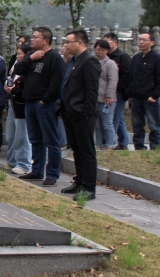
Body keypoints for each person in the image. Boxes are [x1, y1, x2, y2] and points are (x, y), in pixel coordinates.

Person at [15, 27, 65, 186]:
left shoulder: (54, 58)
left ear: (46, 40)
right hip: (29, 102)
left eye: (36, 37)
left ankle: (52, 174)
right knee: (35, 140)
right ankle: (36, 170)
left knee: (51, 140)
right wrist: (30, 58)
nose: (33, 40)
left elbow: (56, 82)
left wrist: (45, 100)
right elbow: (18, 69)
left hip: (44, 104)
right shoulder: (31, 55)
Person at [60, 30, 102, 200]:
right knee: (76, 149)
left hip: (82, 113)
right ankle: (79, 181)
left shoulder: (89, 61)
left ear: (79, 42)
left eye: (69, 42)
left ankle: (89, 187)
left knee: (86, 150)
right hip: (69, 111)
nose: (66, 45)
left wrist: (86, 112)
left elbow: (92, 90)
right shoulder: (72, 61)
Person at [129, 32, 160, 150]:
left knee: (154, 124)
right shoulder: (136, 58)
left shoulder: (158, 59)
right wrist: (131, 94)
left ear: (152, 43)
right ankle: (139, 146)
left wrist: (155, 95)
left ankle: (155, 147)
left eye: (144, 40)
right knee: (137, 124)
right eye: (140, 39)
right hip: (136, 97)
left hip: (150, 98)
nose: (141, 42)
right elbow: (132, 77)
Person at [5, 45, 33, 175]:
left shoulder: (28, 70)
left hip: (21, 105)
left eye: (20, 54)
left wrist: (14, 90)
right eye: (17, 54)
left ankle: (24, 164)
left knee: (22, 136)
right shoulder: (16, 67)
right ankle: (12, 160)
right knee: (10, 135)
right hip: (12, 103)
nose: (17, 56)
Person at [103, 33, 132, 150]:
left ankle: (109, 143)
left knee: (113, 117)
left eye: (108, 42)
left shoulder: (122, 57)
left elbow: (127, 75)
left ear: (115, 42)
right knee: (119, 118)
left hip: (118, 92)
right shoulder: (106, 57)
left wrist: (119, 88)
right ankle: (123, 143)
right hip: (107, 91)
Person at [93, 40, 118, 150]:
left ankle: (110, 145)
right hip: (95, 98)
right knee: (97, 125)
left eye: (102, 50)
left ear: (107, 51)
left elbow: (113, 80)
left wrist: (109, 96)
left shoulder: (110, 64)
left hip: (106, 99)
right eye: (98, 49)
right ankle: (98, 145)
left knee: (107, 124)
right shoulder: (93, 61)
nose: (100, 52)